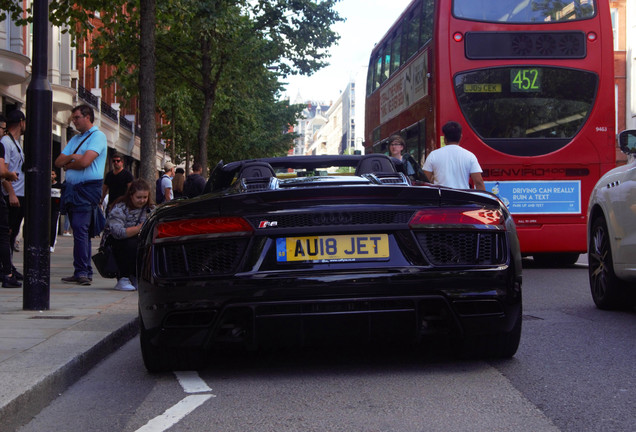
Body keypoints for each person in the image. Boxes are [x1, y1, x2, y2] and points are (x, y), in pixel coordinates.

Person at [55, 104, 108, 286]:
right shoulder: (76, 138)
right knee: (79, 230)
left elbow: (85, 162)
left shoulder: (98, 136)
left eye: (77, 117)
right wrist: (73, 158)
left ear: (87, 117)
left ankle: (83, 271)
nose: (74, 121)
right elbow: (58, 160)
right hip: (72, 189)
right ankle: (81, 270)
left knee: (80, 228)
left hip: (87, 189)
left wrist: (71, 161)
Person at [103, 179, 153, 291]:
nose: (142, 200)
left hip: (141, 241)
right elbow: (117, 232)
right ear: (131, 195)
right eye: (139, 197)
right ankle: (123, 277)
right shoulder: (120, 208)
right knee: (131, 244)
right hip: (118, 243)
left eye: (145, 197)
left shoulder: (150, 209)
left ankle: (136, 276)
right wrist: (139, 228)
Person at [422, 121, 485, 190]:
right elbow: (479, 182)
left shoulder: (433, 155)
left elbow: (424, 181)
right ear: (460, 137)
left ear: (445, 139)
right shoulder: (470, 156)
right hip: (462, 198)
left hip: (441, 198)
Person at [1, 110, 26, 264]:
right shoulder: (6, 142)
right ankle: (6, 268)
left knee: (13, 232)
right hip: (12, 195)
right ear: (21, 122)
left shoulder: (15, 142)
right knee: (8, 232)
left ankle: (8, 266)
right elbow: (3, 171)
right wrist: (11, 193)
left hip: (20, 193)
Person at [0, 114, 20, 288]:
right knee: (4, 234)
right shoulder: (3, 144)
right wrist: (10, 176)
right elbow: (2, 170)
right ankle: (7, 273)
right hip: (5, 195)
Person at [50, 170, 62, 252]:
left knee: (54, 225)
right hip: (47, 208)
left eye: (53, 174)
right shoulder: (45, 185)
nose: (51, 176)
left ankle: (52, 244)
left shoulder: (59, 186)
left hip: (56, 209)